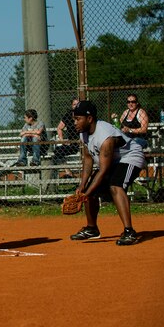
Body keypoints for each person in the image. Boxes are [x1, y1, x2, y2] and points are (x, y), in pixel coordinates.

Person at [68, 100, 145, 246]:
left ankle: (129, 232)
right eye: (74, 119)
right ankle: (92, 228)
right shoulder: (83, 133)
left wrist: (87, 194)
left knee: (116, 186)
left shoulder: (105, 136)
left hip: (130, 157)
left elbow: (103, 171)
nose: (75, 122)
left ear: (89, 119)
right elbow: (88, 159)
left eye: (78, 119)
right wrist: (82, 186)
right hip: (113, 161)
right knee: (89, 190)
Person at [52, 98, 80, 177]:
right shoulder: (68, 115)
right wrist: (62, 140)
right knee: (57, 151)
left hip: (84, 143)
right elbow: (59, 128)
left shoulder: (84, 115)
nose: (76, 106)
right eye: (74, 104)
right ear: (72, 106)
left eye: (78, 104)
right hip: (73, 144)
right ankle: (68, 172)